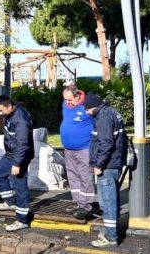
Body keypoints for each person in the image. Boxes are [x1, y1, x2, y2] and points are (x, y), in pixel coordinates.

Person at [85, 93, 127, 248]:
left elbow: (106, 143)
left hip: (108, 165)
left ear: (93, 107)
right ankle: (113, 231)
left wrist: (99, 165)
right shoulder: (111, 112)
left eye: (87, 110)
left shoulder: (103, 117)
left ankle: (111, 237)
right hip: (114, 163)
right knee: (113, 200)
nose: (86, 113)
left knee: (108, 201)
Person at [0, 95, 35, 232]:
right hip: (10, 154)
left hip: (19, 157)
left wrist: (17, 164)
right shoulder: (9, 115)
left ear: (9, 106)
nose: (0, 113)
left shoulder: (21, 120)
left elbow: (23, 144)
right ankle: (10, 202)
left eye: (1, 110)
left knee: (20, 186)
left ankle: (22, 220)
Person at [60, 84, 96, 219]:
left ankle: (86, 205)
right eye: (65, 100)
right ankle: (78, 202)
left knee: (84, 176)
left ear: (77, 96)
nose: (67, 102)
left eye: (69, 100)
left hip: (84, 148)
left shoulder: (87, 106)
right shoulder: (66, 104)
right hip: (68, 149)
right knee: (73, 176)